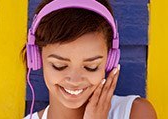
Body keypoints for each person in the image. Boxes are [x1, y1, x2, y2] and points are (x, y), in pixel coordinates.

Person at [24, 0, 157, 119]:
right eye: (59, 66)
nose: (74, 80)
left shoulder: (136, 113)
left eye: (91, 67)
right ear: (36, 57)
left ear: (110, 60)